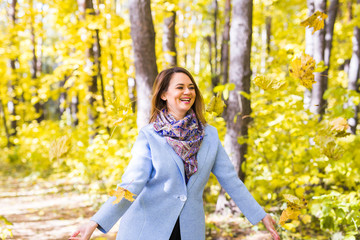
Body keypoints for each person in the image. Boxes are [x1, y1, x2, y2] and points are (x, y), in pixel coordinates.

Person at [69, 67, 280, 240]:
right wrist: (95, 221)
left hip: (189, 229)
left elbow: (231, 181)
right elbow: (131, 184)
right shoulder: (149, 135)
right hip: (148, 229)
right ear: (164, 94)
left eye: (191, 87)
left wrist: (260, 215)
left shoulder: (209, 135)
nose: (187, 92)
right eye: (180, 87)